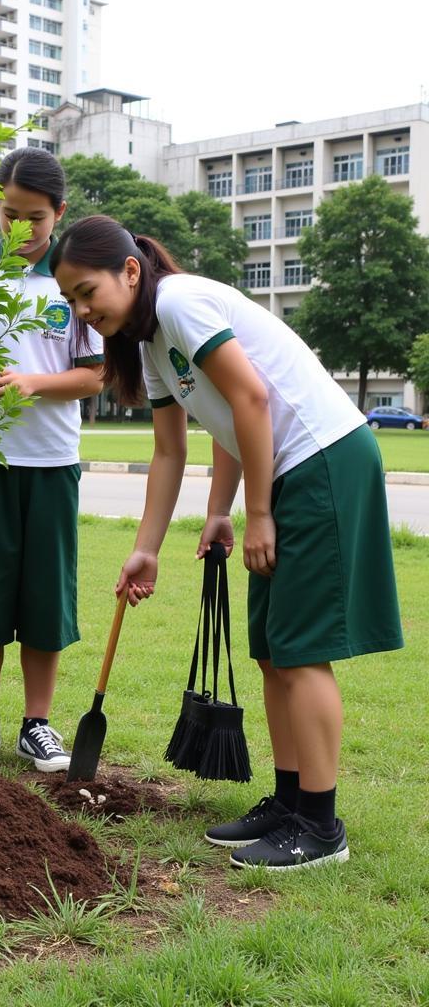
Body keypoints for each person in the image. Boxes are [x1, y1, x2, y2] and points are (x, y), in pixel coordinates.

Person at [52, 214, 403, 869]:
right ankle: (292, 799)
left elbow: (252, 400)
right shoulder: (150, 341)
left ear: (130, 270)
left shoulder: (181, 304)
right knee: (273, 650)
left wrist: (259, 512)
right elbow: (173, 448)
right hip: (290, 467)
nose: (81, 308)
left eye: (86, 290)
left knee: (301, 650)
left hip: (322, 463)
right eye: (70, 299)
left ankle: (322, 829)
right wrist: (180, 531)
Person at [0, 148, 105, 773]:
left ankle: (38, 722)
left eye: (36, 218)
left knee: (44, 597)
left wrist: (35, 383)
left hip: (53, 463)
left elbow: (95, 377)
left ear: (59, 213)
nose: (22, 229)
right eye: (11, 214)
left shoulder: (74, 278)